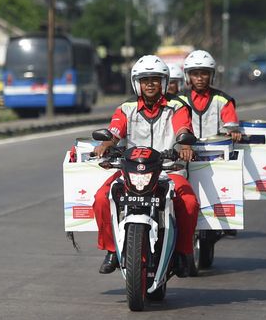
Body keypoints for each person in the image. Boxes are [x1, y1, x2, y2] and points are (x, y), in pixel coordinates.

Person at [92, 55, 199, 277]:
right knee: (102, 198)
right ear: (136, 83)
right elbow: (114, 130)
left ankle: (183, 253)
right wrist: (106, 143)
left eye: (155, 79)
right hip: (132, 171)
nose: (149, 83)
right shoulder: (126, 107)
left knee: (188, 203)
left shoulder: (177, 106)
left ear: (163, 81)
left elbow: (183, 129)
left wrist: (183, 143)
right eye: (144, 79)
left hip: (169, 170)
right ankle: (111, 250)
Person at [179, 50, 241, 142]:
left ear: (211, 75)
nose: (199, 78)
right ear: (188, 76)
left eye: (204, 73)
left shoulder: (223, 100)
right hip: (188, 151)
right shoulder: (179, 101)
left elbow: (231, 126)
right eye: (195, 74)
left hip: (217, 152)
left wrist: (234, 132)